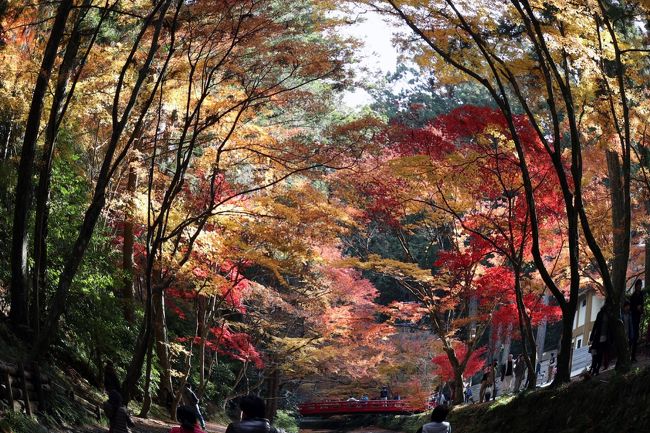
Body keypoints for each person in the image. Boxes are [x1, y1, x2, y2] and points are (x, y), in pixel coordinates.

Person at [589, 305, 610, 375]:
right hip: (598, 337)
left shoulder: (609, 315)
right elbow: (595, 325)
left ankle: (597, 369)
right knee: (596, 354)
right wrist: (591, 337)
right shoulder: (600, 314)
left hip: (605, 338)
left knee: (600, 354)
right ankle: (594, 368)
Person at [630, 280, 644, 362]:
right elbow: (631, 308)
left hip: (638, 317)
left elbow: (642, 304)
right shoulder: (633, 296)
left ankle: (633, 356)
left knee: (636, 336)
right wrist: (636, 308)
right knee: (633, 337)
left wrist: (642, 310)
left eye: (641, 285)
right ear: (636, 286)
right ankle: (631, 356)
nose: (640, 286)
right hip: (634, 317)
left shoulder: (641, 294)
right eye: (639, 285)